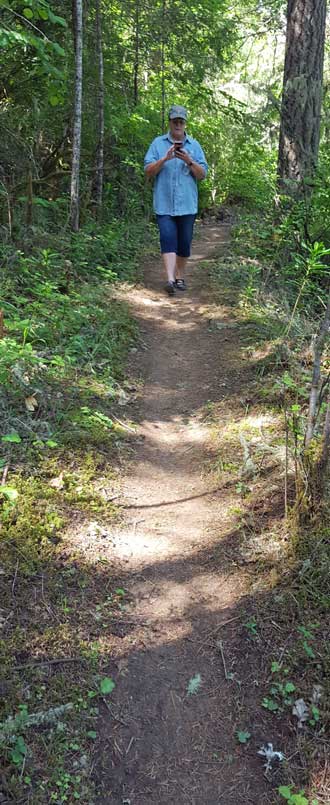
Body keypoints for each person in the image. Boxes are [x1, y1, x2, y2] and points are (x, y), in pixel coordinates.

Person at [144, 105, 208, 295]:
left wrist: (189, 160)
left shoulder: (194, 146)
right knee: (167, 239)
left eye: (181, 121)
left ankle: (180, 276)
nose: (178, 125)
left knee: (184, 242)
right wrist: (165, 159)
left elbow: (202, 174)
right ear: (170, 123)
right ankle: (170, 280)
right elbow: (148, 171)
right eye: (175, 121)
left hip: (187, 204)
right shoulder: (157, 144)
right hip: (164, 203)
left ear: (185, 123)